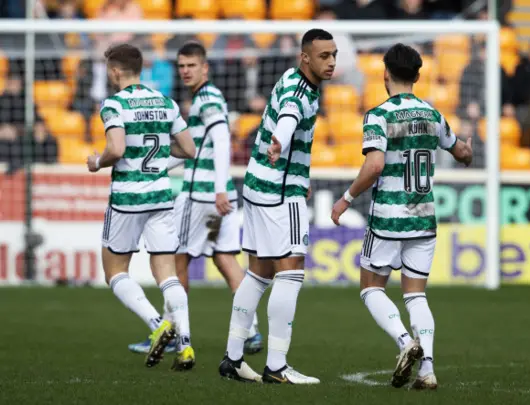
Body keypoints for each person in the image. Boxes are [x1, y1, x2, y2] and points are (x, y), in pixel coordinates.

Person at [331, 43, 473, 390]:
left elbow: (375, 164)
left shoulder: (379, 115)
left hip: (389, 218)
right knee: (416, 295)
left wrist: (347, 198)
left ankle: (404, 341)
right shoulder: (432, 114)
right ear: (419, 75)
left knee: (370, 288)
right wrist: (467, 150)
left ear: (385, 74)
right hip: (424, 218)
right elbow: (462, 152)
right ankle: (427, 370)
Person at [127, 41, 263, 356]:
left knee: (177, 259)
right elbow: (195, 151)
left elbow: (221, 138)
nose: (186, 71)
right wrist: (155, 168)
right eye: (182, 66)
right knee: (226, 258)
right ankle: (252, 331)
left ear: (206, 67)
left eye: (192, 65)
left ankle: (173, 331)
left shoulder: (207, 99)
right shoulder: (204, 99)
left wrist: (216, 189)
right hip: (222, 196)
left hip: (202, 197)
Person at [218, 29, 337, 385]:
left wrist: (292, 161)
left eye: (334, 55)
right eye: (323, 56)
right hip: (280, 193)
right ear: (305, 57)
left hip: (257, 184)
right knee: (292, 272)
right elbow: (287, 117)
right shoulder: (301, 93)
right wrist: (279, 143)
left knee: (259, 273)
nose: (331, 62)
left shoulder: (291, 77)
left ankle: (233, 358)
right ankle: (277, 366)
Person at [86, 43, 197, 371]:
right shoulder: (166, 103)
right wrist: (163, 153)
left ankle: (157, 324)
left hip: (127, 199)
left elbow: (116, 149)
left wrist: (96, 161)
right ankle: (186, 343)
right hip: (161, 196)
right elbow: (189, 149)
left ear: (115, 71)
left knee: (115, 271)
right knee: (168, 275)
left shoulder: (114, 104)